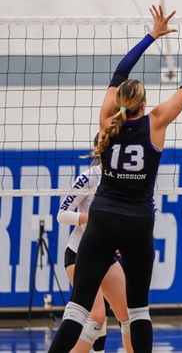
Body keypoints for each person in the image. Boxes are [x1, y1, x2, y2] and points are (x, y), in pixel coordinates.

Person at [48, 5, 182, 353]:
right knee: (138, 310)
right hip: (138, 222)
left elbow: (119, 72)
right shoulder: (155, 123)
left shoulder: (106, 124)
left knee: (78, 307)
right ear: (144, 104)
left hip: (101, 220)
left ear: (120, 102)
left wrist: (151, 36)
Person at [57, 133, 133, 353]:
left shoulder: (123, 179)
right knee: (97, 317)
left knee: (128, 315)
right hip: (79, 254)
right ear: (100, 151)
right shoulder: (89, 177)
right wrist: (90, 219)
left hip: (106, 256)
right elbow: (62, 215)